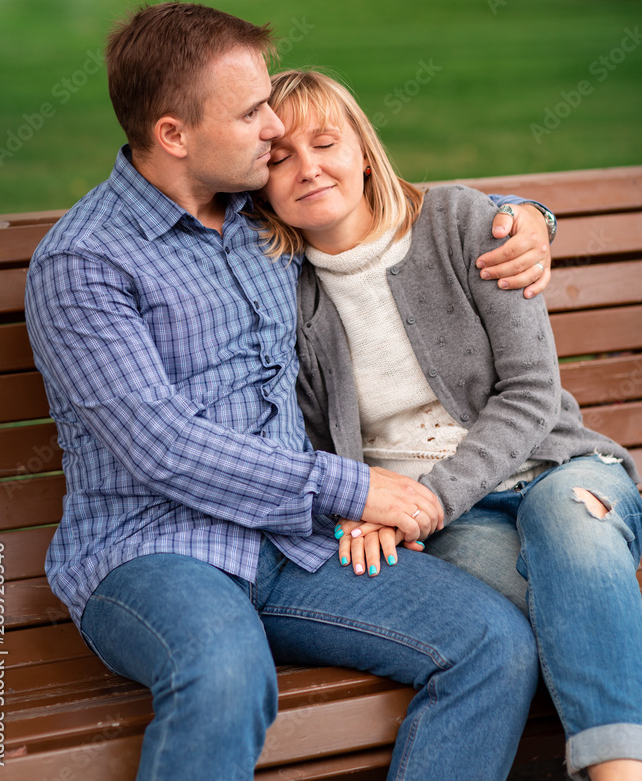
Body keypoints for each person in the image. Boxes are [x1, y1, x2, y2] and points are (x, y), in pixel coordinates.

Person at [26, 3, 555, 781]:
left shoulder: (260, 218)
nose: (274, 127)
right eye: (250, 113)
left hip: (293, 546)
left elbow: (397, 209)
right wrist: (353, 487)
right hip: (154, 552)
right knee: (226, 674)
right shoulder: (85, 264)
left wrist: (524, 218)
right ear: (174, 135)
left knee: (491, 644)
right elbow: (163, 450)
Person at [254, 67, 642, 781]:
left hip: (552, 467)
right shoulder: (283, 291)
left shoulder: (463, 223)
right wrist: (372, 505)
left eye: (325, 143)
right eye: (278, 158)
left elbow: (529, 394)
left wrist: (428, 498)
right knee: (548, 613)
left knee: (569, 525)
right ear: (259, 180)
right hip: (443, 522)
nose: (307, 168)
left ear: (363, 151)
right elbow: (307, 439)